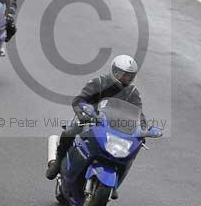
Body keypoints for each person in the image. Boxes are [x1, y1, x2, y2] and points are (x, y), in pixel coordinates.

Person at [45, 55, 146, 198]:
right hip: (90, 120)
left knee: (132, 150)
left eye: (129, 76)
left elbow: (140, 114)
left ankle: (115, 181)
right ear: (114, 71)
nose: (125, 78)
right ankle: (57, 164)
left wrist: (143, 130)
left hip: (116, 128)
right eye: (122, 74)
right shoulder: (99, 82)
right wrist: (82, 114)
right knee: (70, 132)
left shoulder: (132, 92)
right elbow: (79, 100)